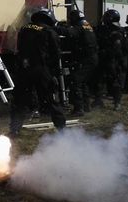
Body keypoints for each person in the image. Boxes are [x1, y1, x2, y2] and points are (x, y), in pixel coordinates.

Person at [9, 8, 66, 136]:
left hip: (25, 69)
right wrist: (54, 73)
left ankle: (15, 129)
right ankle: (62, 130)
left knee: (20, 100)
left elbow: (19, 49)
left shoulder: (24, 29)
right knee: (52, 100)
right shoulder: (49, 31)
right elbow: (56, 55)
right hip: (41, 70)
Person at [56, 9, 98, 116]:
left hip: (86, 59)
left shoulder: (79, 26)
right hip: (90, 58)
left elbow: (69, 33)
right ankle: (86, 105)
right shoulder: (86, 25)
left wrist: (56, 28)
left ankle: (79, 109)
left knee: (76, 81)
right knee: (82, 82)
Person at [95, 9, 127, 110]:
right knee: (99, 80)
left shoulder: (118, 30)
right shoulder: (102, 28)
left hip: (114, 60)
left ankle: (117, 102)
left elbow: (117, 47)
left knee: (115, 81)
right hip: (104, 58)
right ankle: (98, 100)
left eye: (107, 17)